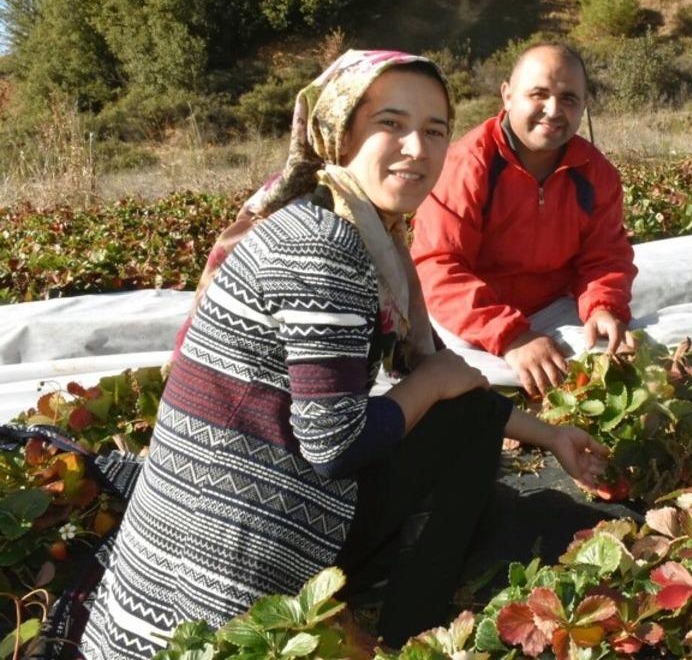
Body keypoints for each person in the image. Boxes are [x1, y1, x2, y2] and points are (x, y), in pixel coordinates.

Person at [81, 50, 608, 659]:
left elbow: (444, 374)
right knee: (455, 422)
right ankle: (412, 635)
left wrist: (548, 435)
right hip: (235, 568)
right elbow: (339, 445)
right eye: (391, 124)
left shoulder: (348, 223)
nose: (417, 148)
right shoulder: (323, 249)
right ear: (340, 131)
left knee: (461, 412)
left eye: (434, 131)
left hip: (204, 522)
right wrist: (431, 386)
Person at [411, 43, 637, 397]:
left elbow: (605, 256)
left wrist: (603, 306)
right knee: (457, 388)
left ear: (583, 105)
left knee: (619, 360)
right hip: (467, 319)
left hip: (552, 308)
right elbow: (438, 267)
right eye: (539, 94)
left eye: (568, 99)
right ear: (508, 95)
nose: (553, 110)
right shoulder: (467, 167)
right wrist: (512, 336)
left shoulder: (596, 173)